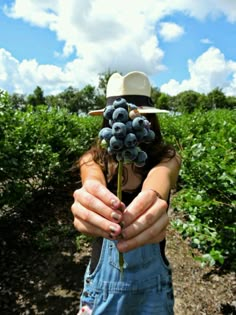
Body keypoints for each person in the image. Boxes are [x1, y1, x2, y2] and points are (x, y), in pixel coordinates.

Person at [71, 71, 181, 315]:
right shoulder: (93, 159)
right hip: (101, 285)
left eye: (139, 117)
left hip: (153, 286)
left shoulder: (167, 159)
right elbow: (91, 180)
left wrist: (153, 196)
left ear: (149, 122)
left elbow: (160, 178)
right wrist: (91, 196)